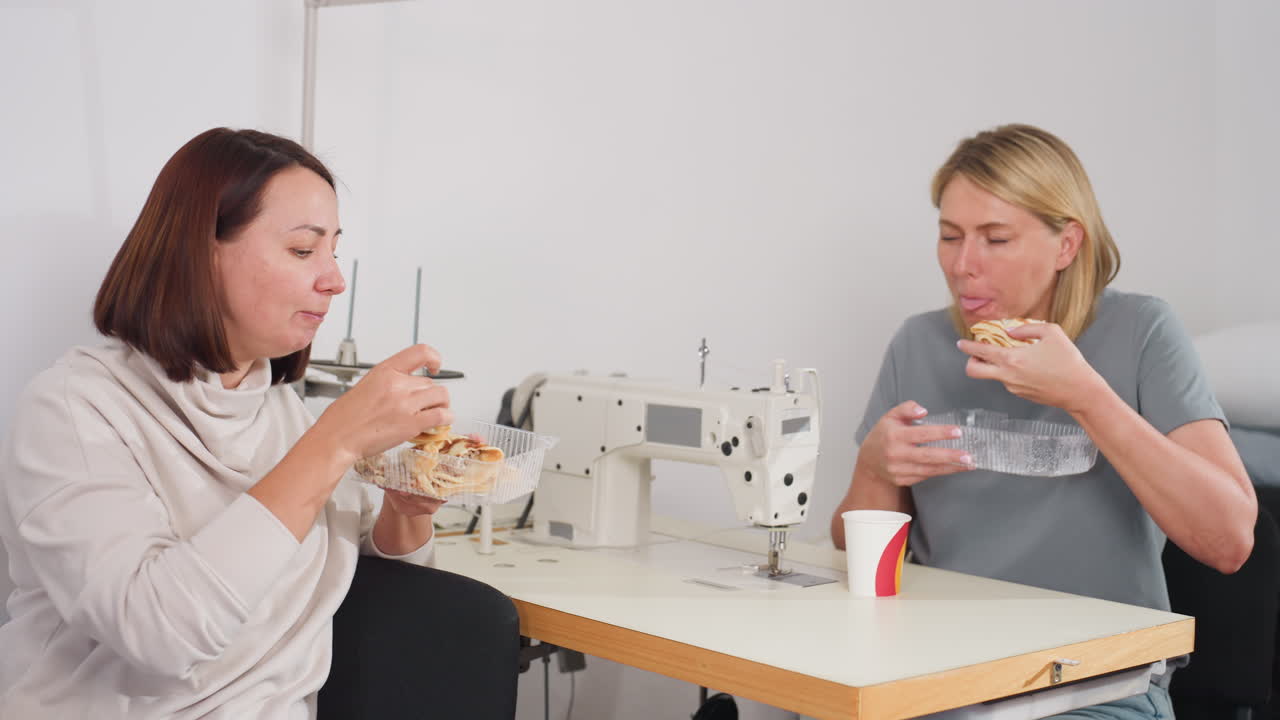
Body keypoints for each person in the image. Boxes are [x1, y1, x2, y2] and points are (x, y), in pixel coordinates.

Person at [0, 128, 461, 718]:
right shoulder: (73, 410)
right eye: (302, 250)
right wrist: (336, 439)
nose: (334, 280)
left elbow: (369, 576)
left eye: (334, 251)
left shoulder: (287, 415)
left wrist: (405, 510)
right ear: (200, 252)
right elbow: (157, 633)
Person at [830, 124, 1257, 718]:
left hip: (1096, 689)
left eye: (995, 239)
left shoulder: (1142, 332)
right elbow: (857, 554)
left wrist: (1088, 398)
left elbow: (1230, 540)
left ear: (1066, 244)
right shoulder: (918, 342)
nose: (962, 264)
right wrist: (874, 468)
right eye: (950, 236)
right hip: (936, 675)